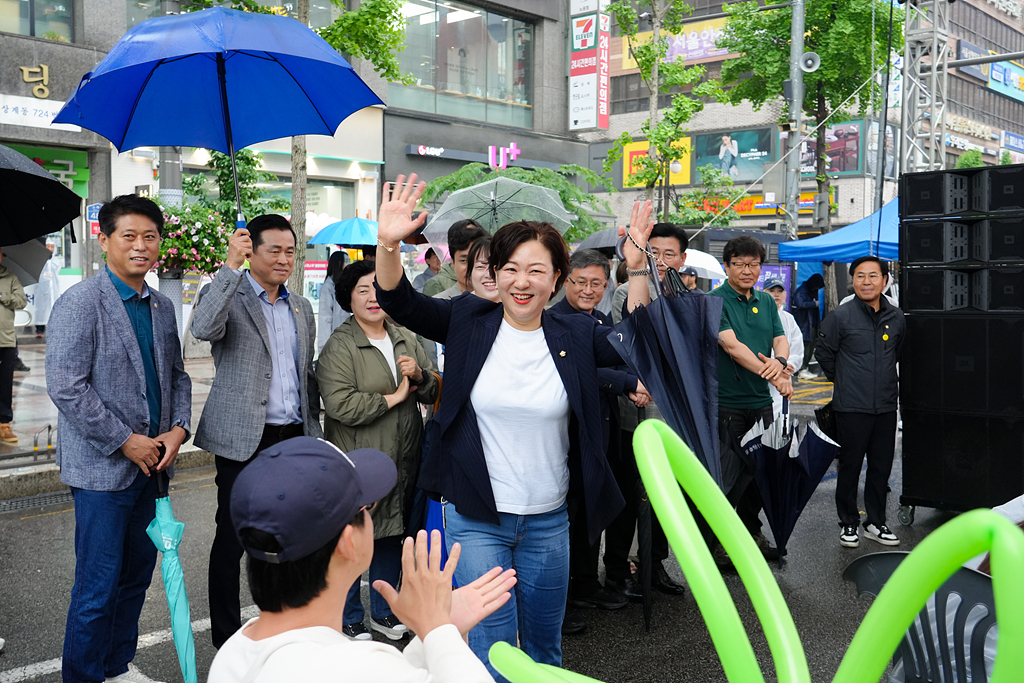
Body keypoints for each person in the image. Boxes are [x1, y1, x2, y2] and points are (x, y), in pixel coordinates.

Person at [372, 173, 655, 681]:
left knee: (545, 652)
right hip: (477, 518)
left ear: (556, 278)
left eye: (536, 271)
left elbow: (638, 347)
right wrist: (388, 243)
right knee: (491, 650)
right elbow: (400, 302)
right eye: (510, 269)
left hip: (550, 521)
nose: (521, 282)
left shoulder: (575, 331)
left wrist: (634, 271)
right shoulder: (467, 321)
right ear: (496, 275)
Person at [208, 436, 517, 683]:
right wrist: (437, 630)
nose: (371, 515)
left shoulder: (234, 652)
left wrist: (433, 634)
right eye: (365, 510)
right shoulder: (360, 667)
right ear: (348, 543)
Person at [46, 194, 192, 683]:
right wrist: (124, 439)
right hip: (102, 469)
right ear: (104, 239)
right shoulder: (80, 302)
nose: (140, 246)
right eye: (128, 236)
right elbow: (66, 384)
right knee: (97, 588)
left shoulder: (163, 306)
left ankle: (115, 665)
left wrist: (178, 430)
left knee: (137, 578)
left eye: (149, 236)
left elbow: (177, 377)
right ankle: (84, 675)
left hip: (155, 465)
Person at [191, 214, 324, 649]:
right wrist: (229, 268)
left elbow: (305, 374)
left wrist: (316, 432)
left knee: (290, 533)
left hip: (293, 436)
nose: (285, 259)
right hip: (244, 439)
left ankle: (285, 623)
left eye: (291, 251)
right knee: (232, 538)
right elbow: (202, 328)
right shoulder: (227, 293)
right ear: (252, 251)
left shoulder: (301, 305)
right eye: (275, 250)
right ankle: (227, 638)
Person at [315, 259, 439, 641]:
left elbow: (435, 389)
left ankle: (384, 611)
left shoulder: (405, 335)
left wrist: (421, 377)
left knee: (392, 532)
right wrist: (396, 396)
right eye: (362, 290)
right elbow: (340, 405)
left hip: (404, 454)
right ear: (347, 298)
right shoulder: (339, 346)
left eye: (378, 289)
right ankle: (348, 613)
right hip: (360, 459)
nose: (372, 298)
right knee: (354, 539)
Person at [553, 249, 643, 625]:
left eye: (597, 283)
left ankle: (586, 583)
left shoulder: (602, 318)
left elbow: (626, 348)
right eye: (581, 282)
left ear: (607, 285)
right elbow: (581, 371)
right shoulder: (555, 319)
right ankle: (568, 593)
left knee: (591, 507)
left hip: (599, 429)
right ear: (564, 281)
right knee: (570, 513)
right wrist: (625, 383)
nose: (588, 290)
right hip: (566, 434)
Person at [609, 223, 692, 598]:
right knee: (629, 495)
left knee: (665, 494)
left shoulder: (689, 299)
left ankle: (654, 562)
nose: (660, 260)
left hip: (674, 415)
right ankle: (618, 569)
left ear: (682, 259)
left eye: (668, 253)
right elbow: (621, 345)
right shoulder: (625, 292)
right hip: (635, 411)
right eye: (652, 252)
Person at [709, 236, 792, 562]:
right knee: (728, 477)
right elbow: (732, 347)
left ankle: (751, 533)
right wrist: (775, 375)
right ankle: (719, 541)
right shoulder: (715, 300)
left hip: (761, 403)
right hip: (728, 404)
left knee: (760, 475)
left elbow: (780, 339)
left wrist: (781, 363)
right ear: (727, 266)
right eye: (740, 264)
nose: (748, 270)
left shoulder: (766, 300)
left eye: (754, 264)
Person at [816, 256, 905, 549]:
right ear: (852, 280)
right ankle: (849, 523)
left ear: (884, 279)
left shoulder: (896, 317)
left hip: (885, 405)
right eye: (860, 276)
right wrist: (844, 380)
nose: (866, 282)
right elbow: (824, 353)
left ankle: (876, 522)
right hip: (851, 406)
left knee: (881, 467)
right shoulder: (840, 316)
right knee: (851, 466)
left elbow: (899, 353)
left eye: (873, 276)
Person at [763, 277, 803, 416]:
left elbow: (797, 349)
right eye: (771, 290)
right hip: (762, 376)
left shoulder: (789, 319)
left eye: (780, 291)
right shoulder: (758, 316)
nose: (776, 294)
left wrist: (788, 364)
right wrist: (775, 366)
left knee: (780, 419)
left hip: (784, 378)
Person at [0, 246, 26, 444]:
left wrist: (3, 296)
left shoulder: (10, 278)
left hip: (5, 340)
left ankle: (4, 423)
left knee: (5, 382)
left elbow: (22, 301)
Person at [422, 220, 488, 298]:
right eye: (464, 261)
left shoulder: (501, 300)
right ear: (453, 263)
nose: (471, 267)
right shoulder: (439, 301)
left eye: (478, 260)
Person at [791, 273, 824, 379]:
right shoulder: (802, 291)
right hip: (804, 324)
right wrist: (813, 304)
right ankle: (801, 369)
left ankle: (804, 368)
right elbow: (800, 303)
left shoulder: (811, 290)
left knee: (810, 346)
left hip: (811, 324)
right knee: (805, 346)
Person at [317, 251, 351, 354]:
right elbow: (325, 318)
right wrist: (324, 348)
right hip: (334, 341)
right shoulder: (328, 288)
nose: (348, 264)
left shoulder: (345, 285)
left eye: (349, 261)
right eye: (345, 261)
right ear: (337, 264)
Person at [34, 236, 62, 337]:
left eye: (52, 247)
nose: (50, 249)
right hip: (41, 289)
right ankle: (39, 330)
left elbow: (56, 271)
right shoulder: (39, 259)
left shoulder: (56, 261)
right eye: (48, 246)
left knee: (53, 309)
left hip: (53, 289)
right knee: (41, 309)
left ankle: (52, 329)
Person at [464, 237, 499, 302]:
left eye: (495, 267)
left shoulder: (521, 310)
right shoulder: (457, 309)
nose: (489, 275)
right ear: (469, 273)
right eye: (480, 267)